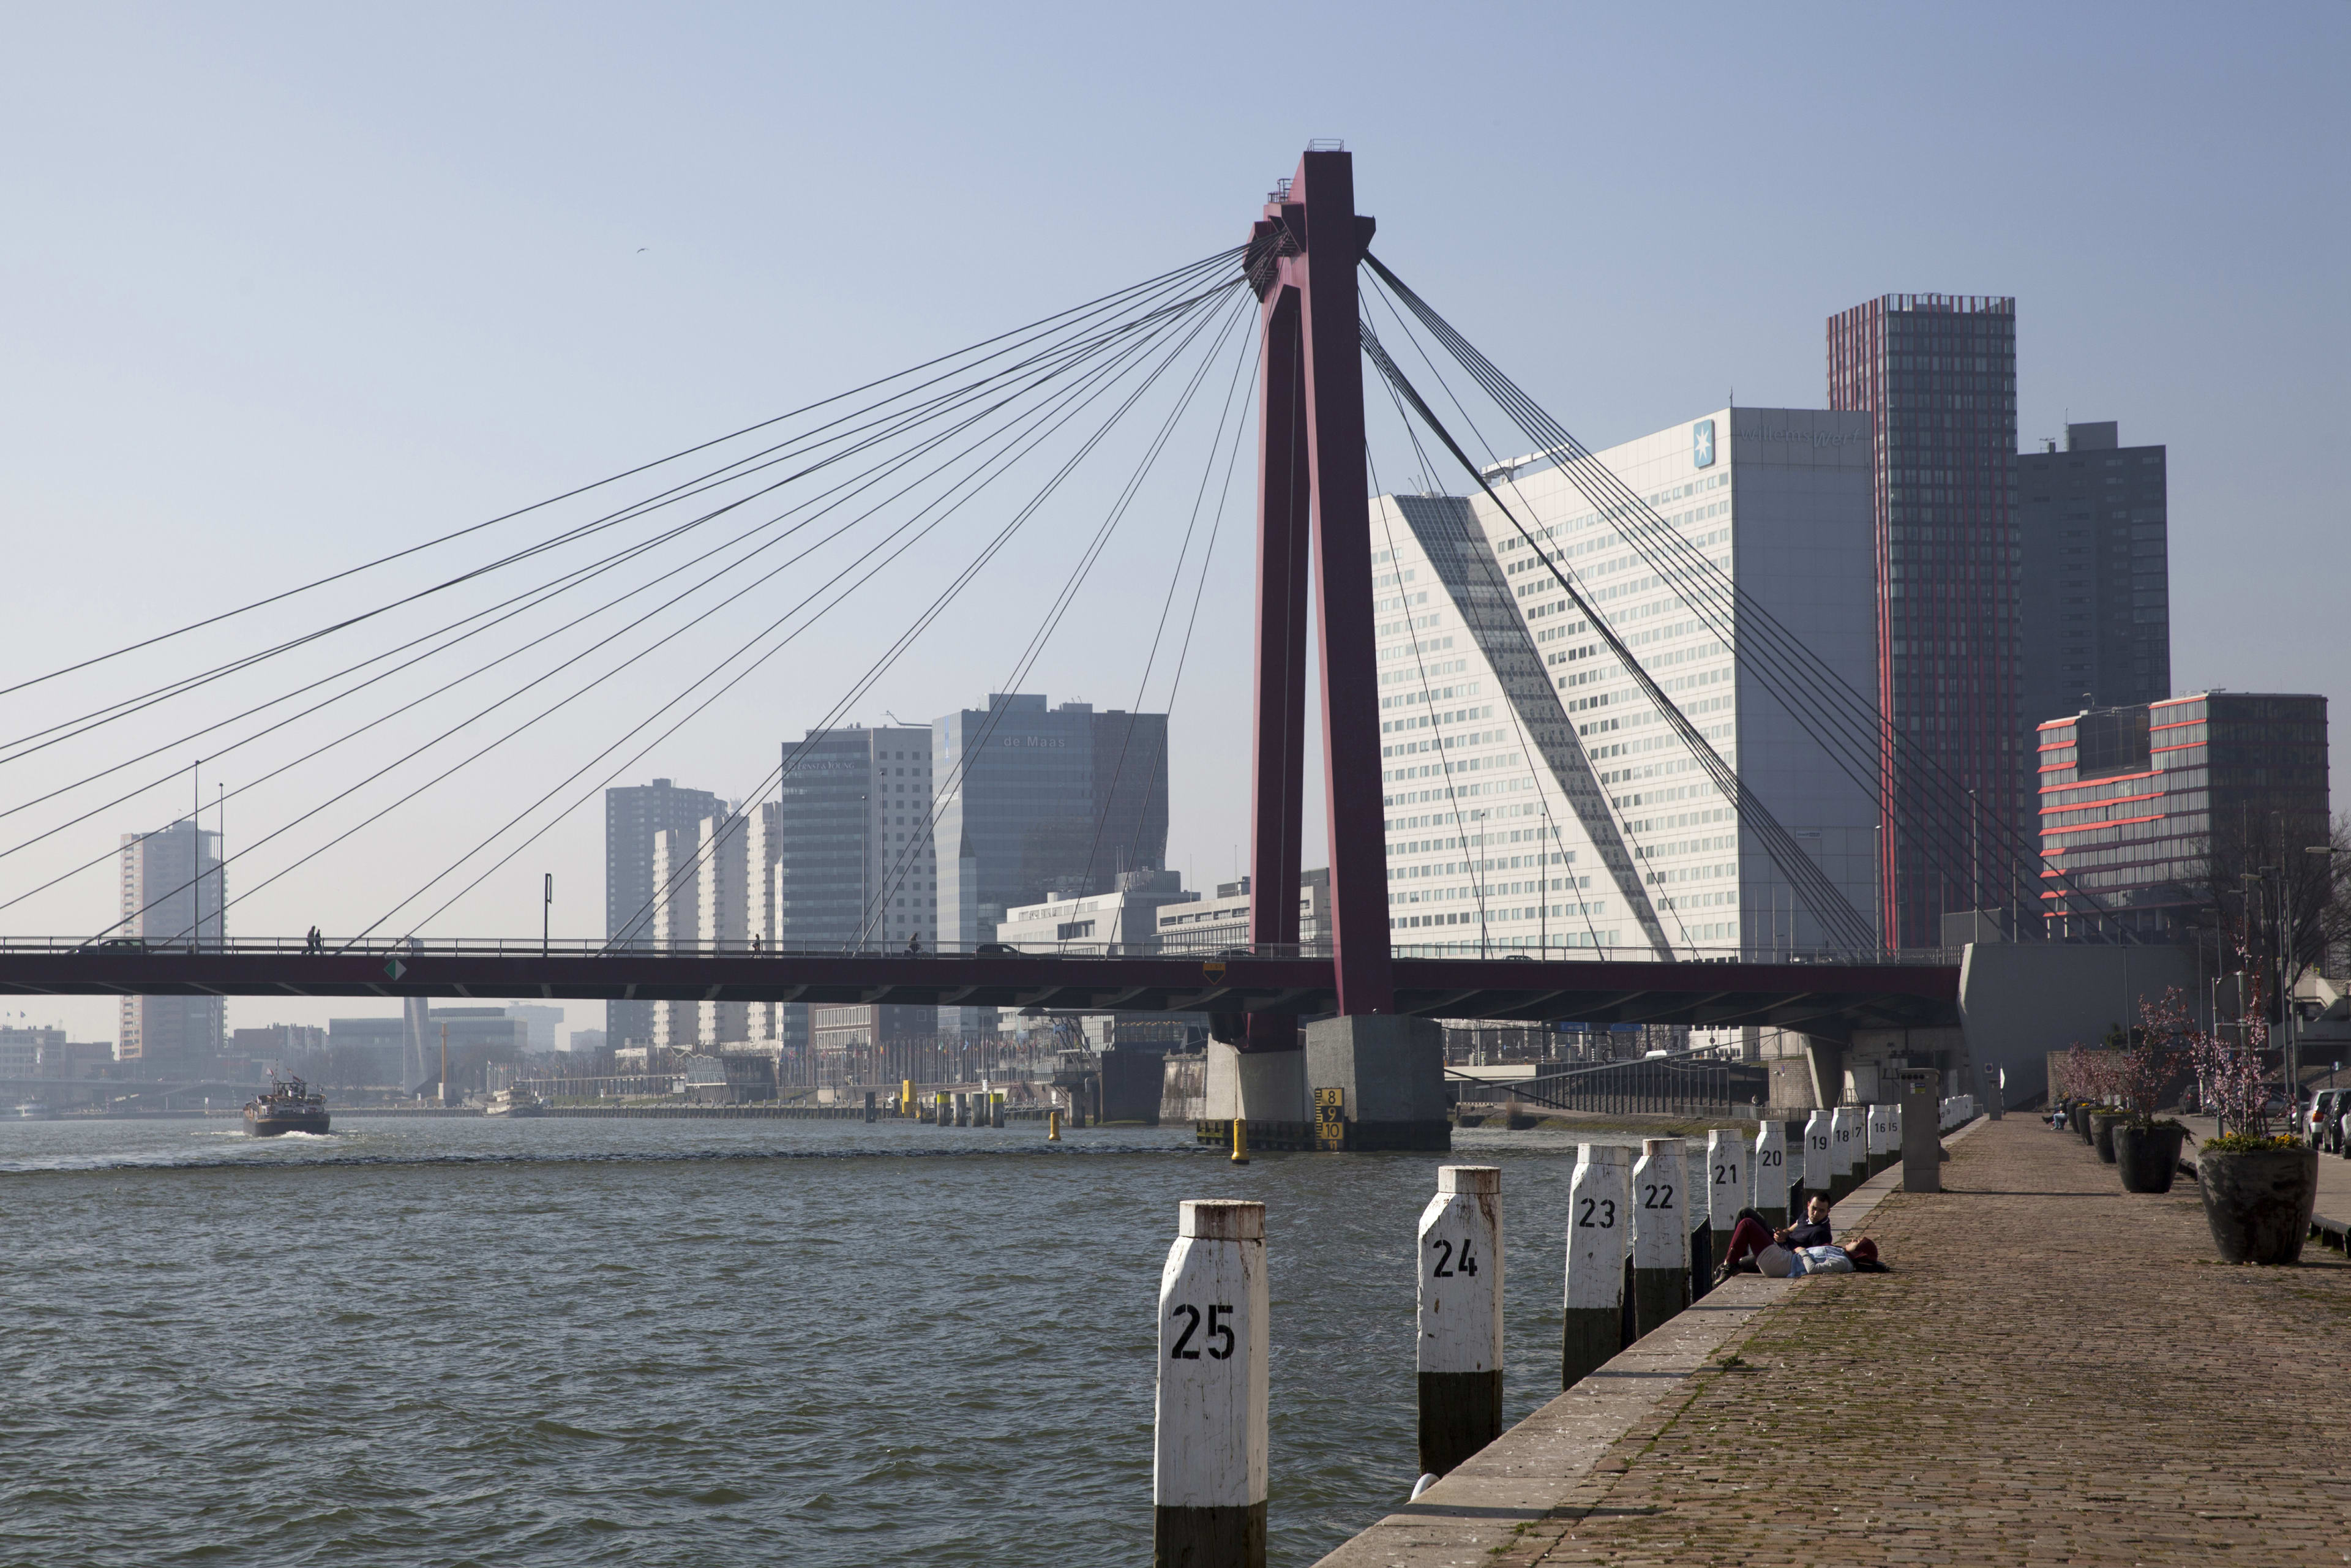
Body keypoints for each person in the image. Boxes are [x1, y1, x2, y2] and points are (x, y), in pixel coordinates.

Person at [1717, 1196, 1881, 1277]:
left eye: (1822, 1211)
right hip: (1782, 1247)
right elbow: (1793, 1228)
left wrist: (1800, 1250)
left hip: (1786, 1255)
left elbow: (1812, 1265)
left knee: (1746, 1226)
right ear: (1809, 1205)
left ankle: (1731, 1265)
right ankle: (1732, 1262)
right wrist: (1784, 1233)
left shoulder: (1822, 1234)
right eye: (1814, 1208)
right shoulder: (1806, 1216)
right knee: (1745, 1213)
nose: (1816, 1214)